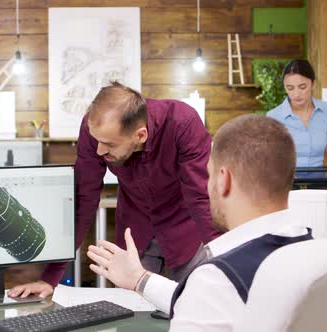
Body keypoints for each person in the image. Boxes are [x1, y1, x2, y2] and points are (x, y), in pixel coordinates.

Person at [87, 115, 312, 331]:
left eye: (208, 174)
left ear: (224, 180)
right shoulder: (310, 252)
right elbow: (209, 304)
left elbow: (208, 298)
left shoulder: (217, 277)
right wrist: (140, 279)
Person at [8, 82, 221, 299]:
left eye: (109, 144)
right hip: (135, 232)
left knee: (193, 303)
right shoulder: (95, 130)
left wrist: (227, 262)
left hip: (185, 228)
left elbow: (201, 198)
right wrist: (50, 278)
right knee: (131, 311)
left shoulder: (182, 123)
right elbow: (83, 199)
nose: (99, 150)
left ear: (140, 135)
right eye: (97, 142)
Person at [267, 59, 327, 167]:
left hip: (320, 181)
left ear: (313, 84)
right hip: (287, 181)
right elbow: (270, 158)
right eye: (290, 88)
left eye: (302, 87)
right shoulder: (273, 116)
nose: (296, 94)